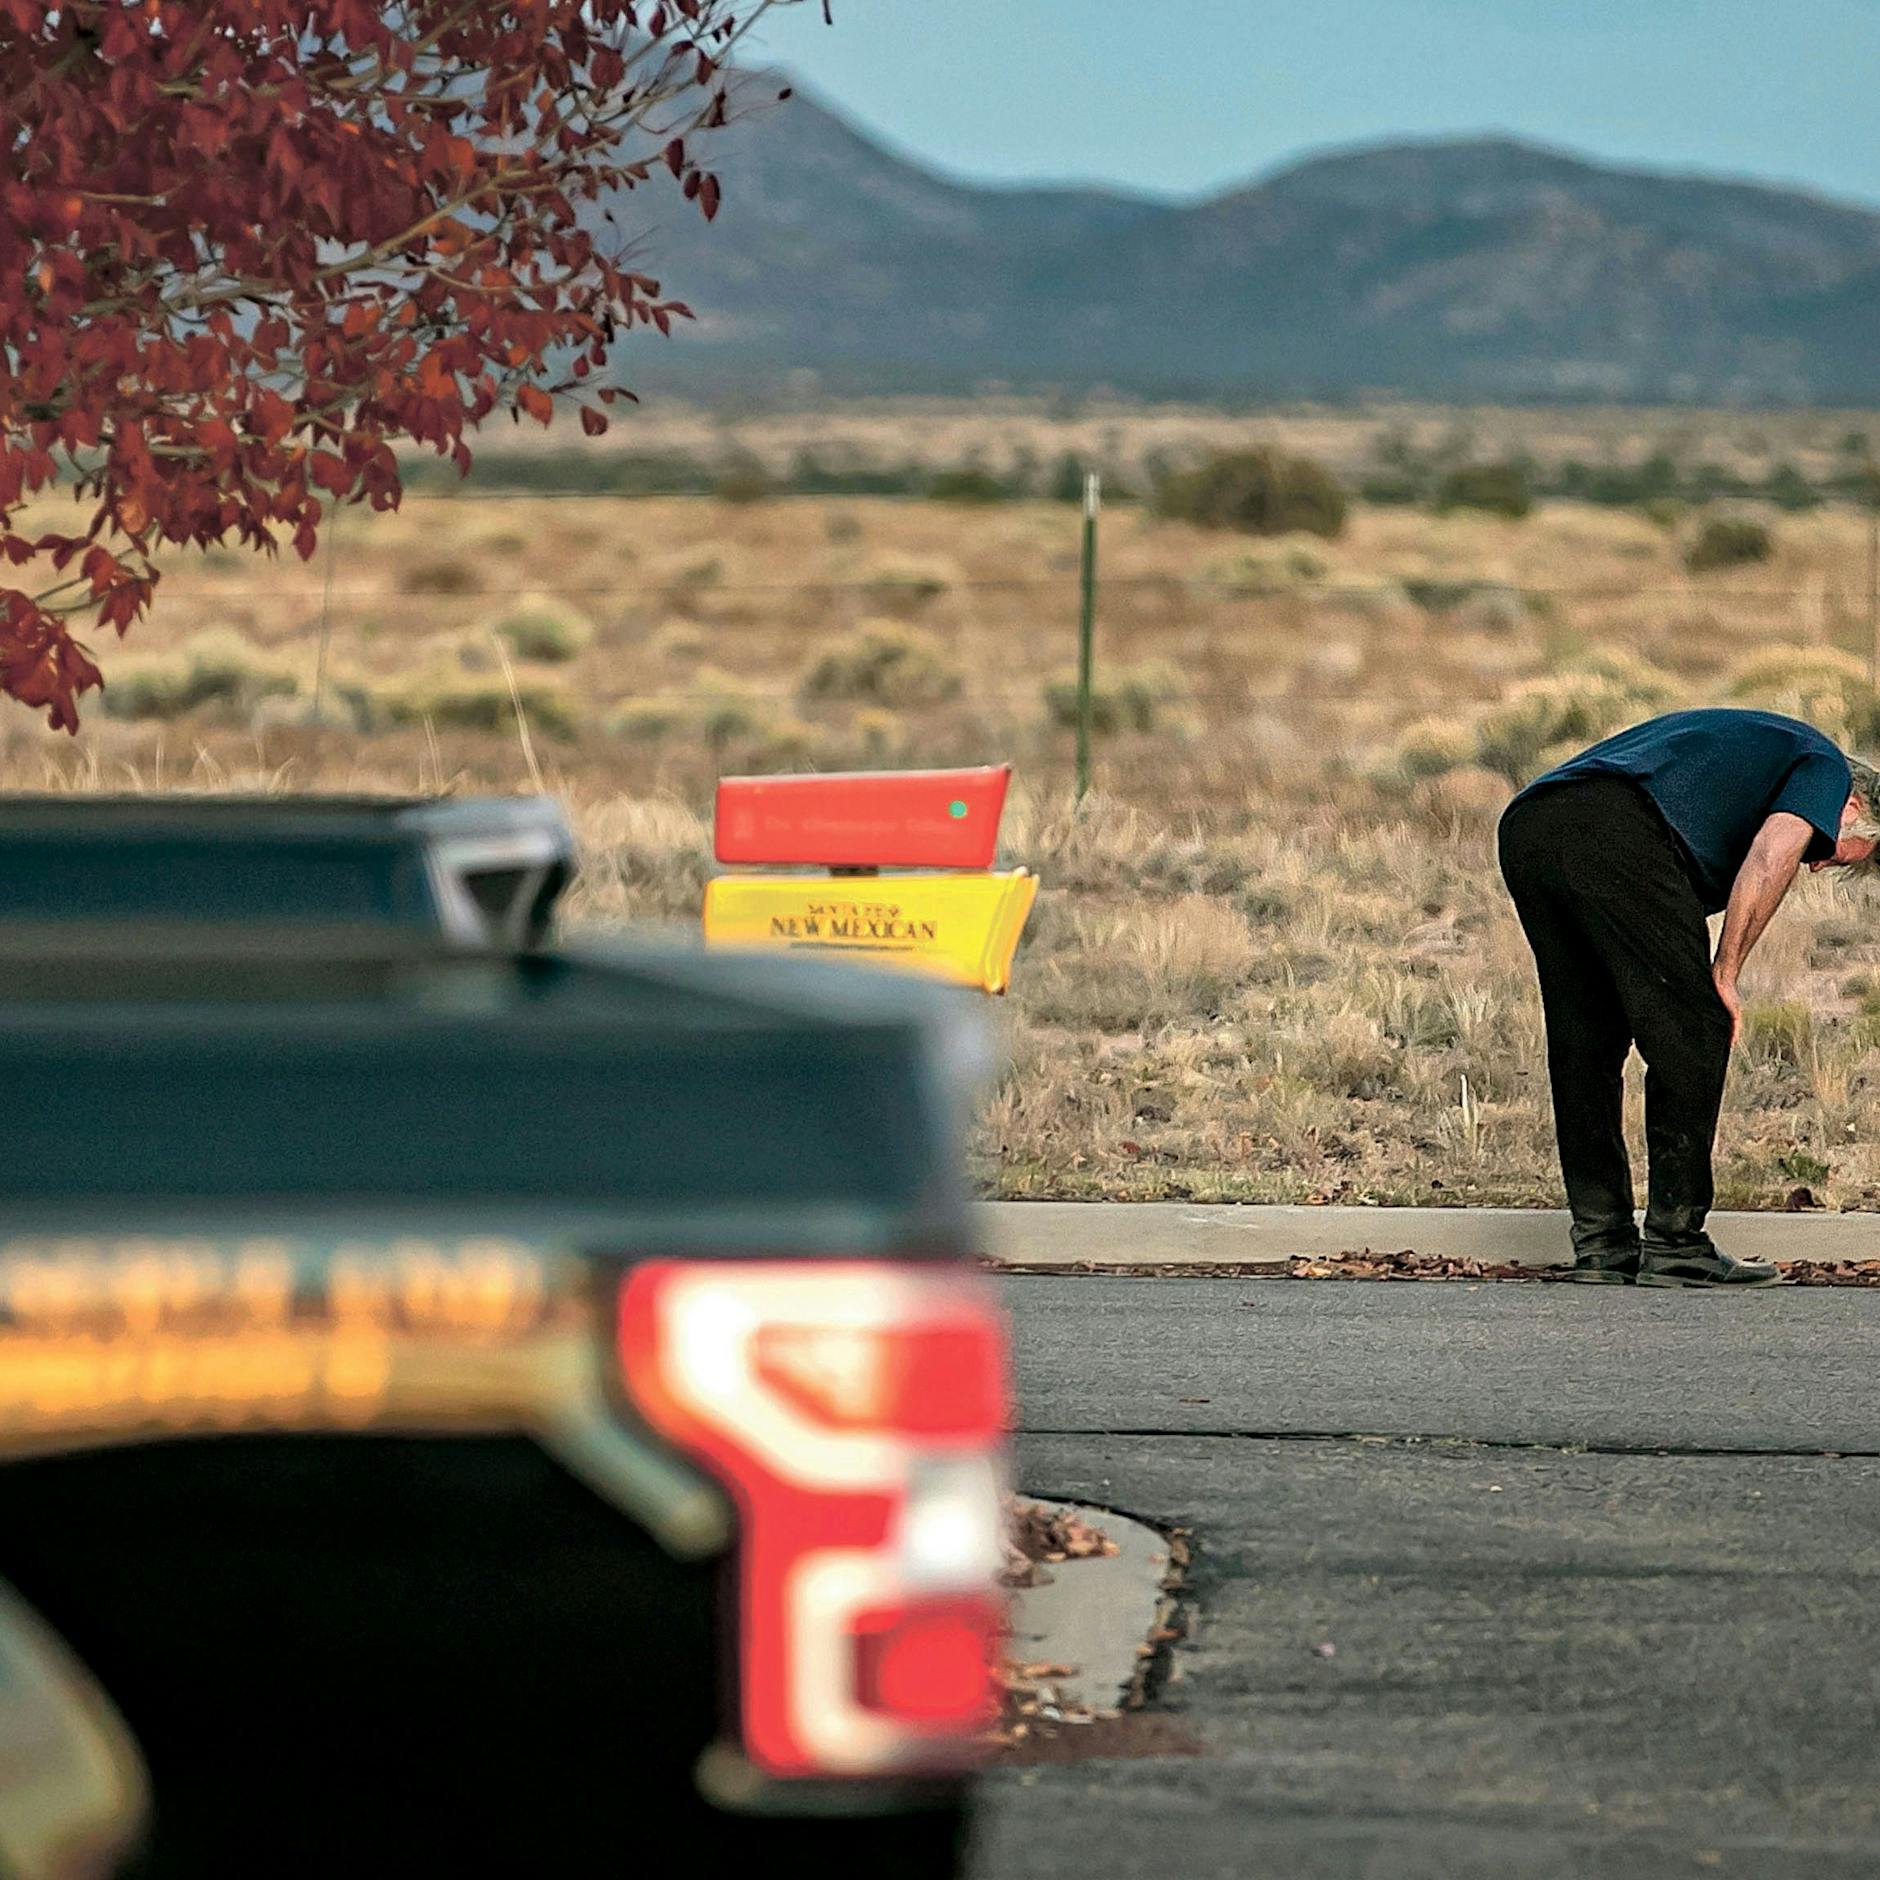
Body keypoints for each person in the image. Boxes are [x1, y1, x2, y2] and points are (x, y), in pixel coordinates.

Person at [1497, 708, 1880, 1287]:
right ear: (1853, 806)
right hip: (1614, 826)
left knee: (1588, 1042)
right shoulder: (1824, 766)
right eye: (1830, 851)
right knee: (1696, 1030)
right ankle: (1678, 1244)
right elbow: (1771, 855)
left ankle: (1603, 1246)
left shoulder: (1758, 755)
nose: (1818, 859)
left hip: (1532, 825)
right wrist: (1724, 972)